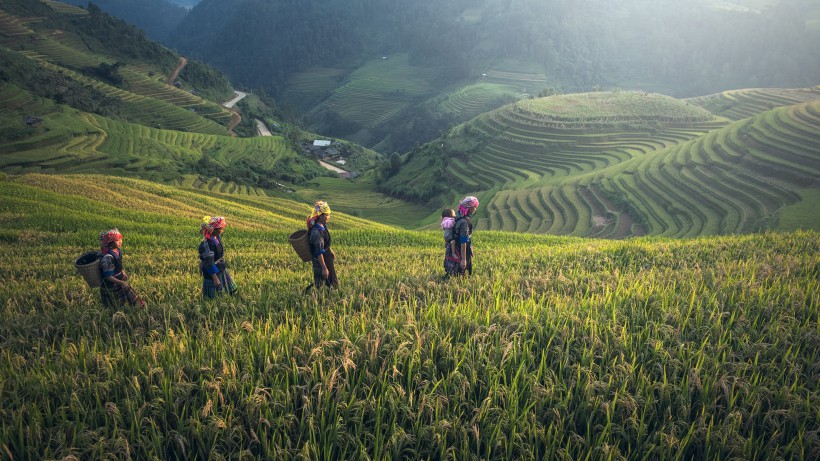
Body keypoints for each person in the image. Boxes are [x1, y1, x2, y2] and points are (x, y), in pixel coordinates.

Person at [98, 228, 146, 308]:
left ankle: (137, 305)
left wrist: (122, 272)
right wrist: (121, 282)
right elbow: (108, 276)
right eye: (117, 240)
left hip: (118, 279)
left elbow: (118, 265)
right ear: (110, 243)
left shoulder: (118, 251)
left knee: (125, 295)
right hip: (111, 284)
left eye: (120, 239)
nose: (120, 242)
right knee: (114, 303)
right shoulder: (108, 257)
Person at [198, 216, 238, 299]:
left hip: (221, 269)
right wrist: (215, 279)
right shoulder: (207, 244)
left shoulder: (217, 238)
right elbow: (209, 263)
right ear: (215, 230)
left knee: (233, 291)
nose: (223, 230)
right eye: (221, 228)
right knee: (211, 297)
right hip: (212, 273)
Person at [305, 201, 338, 292]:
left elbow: (325, 243)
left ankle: (330, 296)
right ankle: (318, 298)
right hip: (320, 260)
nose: (329, 217)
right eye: (327, 215)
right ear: (321, 216)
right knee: (321, 281)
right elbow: (319, 251)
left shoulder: (322, 225)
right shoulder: (316, 232)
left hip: (326, 256)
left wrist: (330, 250)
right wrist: (324, 268)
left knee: (331, 280)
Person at [453, 196, 479, 276]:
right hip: (461, 248)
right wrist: (464, 259)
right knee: (463, 271)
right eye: (475, 207)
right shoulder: (465, 222)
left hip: (455, 246)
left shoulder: (458, 215)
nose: (475, 209)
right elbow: (463, 241)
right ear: (470, 208)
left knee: (454, 269)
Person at [441, 208, 460, 277]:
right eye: (454, 214)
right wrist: (457, 218)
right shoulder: (449, 221)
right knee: (453, 242)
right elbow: (452, 224)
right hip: (449, 237)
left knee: (449, 245)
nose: (454, 216)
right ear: (450, 215)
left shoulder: (444, 220)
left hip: (447, 237)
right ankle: (453, 253)